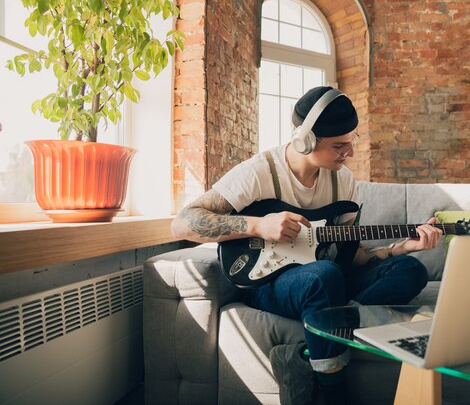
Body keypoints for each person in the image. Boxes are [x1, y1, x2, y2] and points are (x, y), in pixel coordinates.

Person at [171, 86, 443, 405]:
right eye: (340, 146)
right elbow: (183, 221)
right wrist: (258, 224)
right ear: (306, 140)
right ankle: (331, 394)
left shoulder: (344, 183)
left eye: (351, 142)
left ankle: (310, 348)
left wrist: (398, 249)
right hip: (269, 281)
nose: (350, 153)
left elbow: (351, 256)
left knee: (410, 270)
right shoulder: (260, 172)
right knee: (324, 276)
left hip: (327, 279)